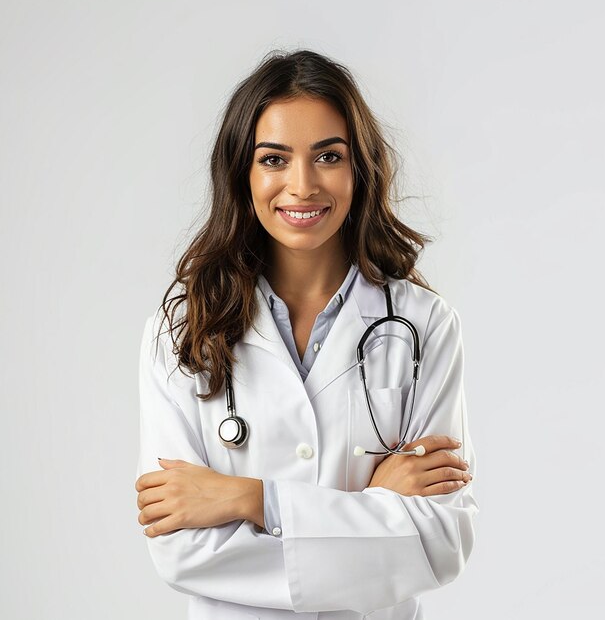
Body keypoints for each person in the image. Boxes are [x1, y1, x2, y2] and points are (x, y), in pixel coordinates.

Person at [134, 48, 479, 620]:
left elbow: (440, 542)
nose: (301, 185)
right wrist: (375, 509)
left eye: (327, 156)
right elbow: (181, 552)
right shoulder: (180, 332)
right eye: (274, 159)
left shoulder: (423, 326)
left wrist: (251, 499)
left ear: (358, 169)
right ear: (242, 172)